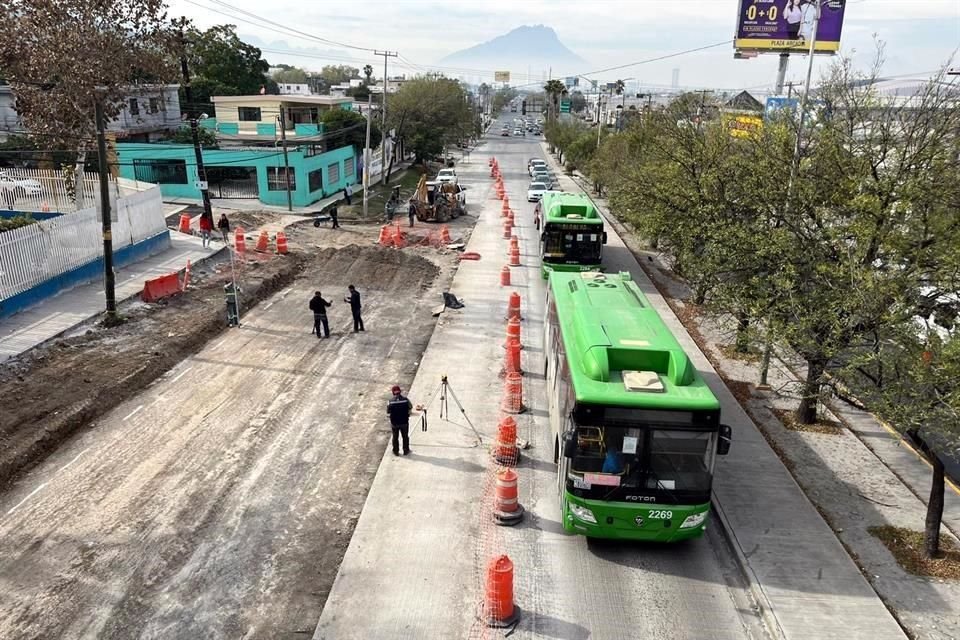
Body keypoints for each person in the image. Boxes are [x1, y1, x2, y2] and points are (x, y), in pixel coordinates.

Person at [386, 385, 413, 456]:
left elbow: (388, 411)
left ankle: (396, 451)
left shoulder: (390, 401)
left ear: (393, 392)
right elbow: (410, 407)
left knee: (395, 437)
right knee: (405, 436)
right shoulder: (405, 400)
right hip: (404, 422)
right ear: (400, 392)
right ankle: (406, 450)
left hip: (394, 423)